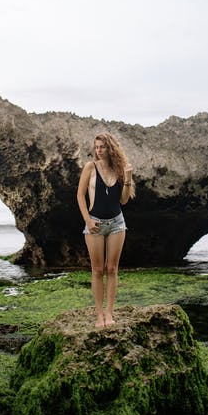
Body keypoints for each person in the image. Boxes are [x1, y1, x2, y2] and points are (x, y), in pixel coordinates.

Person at [77, 132, 135, 328]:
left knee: (112, 269)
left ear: (110, 148)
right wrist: (88, 220)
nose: (98, 150)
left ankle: (110, 313)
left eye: (102, 147)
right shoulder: (90, 167)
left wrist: (128, 178)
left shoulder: (119, 169)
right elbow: (80, 195)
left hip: (117, 224)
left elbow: (124, 200)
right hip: (95, 223)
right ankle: (99, 315)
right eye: (96, 147)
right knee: (97, 270)